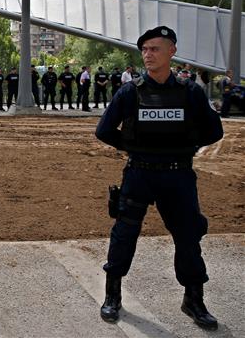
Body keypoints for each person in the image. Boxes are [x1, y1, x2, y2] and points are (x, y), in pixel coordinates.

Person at [95, 26, 223, 330]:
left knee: (189, 237)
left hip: (178, 175)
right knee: (124, 234)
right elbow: (103, 130)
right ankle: (112, 295)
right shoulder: (130, 91)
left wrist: (185, 146)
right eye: (145, 50)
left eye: (155, 49)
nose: (148, 55)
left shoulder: (190, 92)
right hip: (139, 173)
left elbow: (214, 130)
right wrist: (137, 147)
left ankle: (193, 299)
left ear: (171, 52)